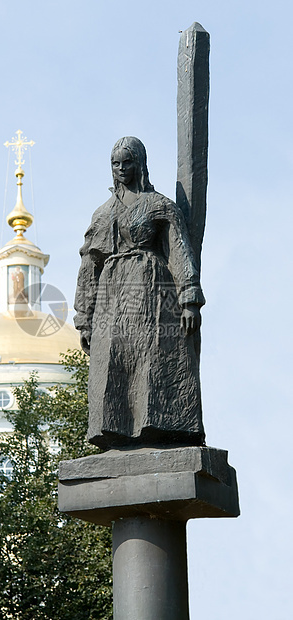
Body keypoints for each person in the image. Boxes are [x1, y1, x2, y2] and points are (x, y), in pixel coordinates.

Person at [74, 137, 205, 449]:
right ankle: (114, 431)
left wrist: (189, 299)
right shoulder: (103, 213)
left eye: (127, 162)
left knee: (152, 356)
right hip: (110, 296)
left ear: (140, 164)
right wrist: (83, 319)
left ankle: (157, 426)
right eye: (115, 164)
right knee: (112, 360)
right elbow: (89, 266)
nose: (121, 169)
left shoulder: (159, 205)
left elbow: (179, 251)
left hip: (151, 289)